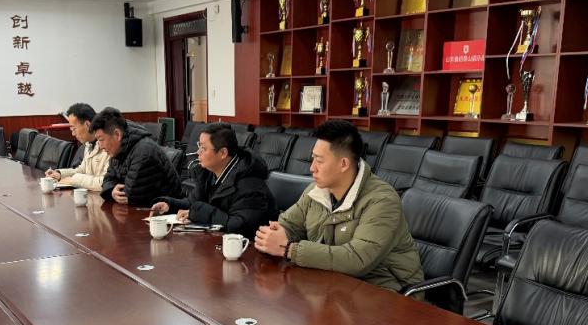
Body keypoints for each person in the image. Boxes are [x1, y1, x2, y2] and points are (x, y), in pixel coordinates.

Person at [254, 119, 423, 292]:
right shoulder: (316, 191)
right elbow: (289, 224)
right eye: (312, 159)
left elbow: (357, 259)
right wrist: (276, 234)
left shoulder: (382, 201)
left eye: (319, 161)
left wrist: (289, 249)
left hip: (387, 290)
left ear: (343, 164)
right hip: (335, 283)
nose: (312, 168)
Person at [150, 123, 275, 236]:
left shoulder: (249, 184)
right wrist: (170, 205)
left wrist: (199, 212)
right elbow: (193, 202)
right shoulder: (210, 173)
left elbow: (240, 226)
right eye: (199, 146)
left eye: (203, 148)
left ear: (223, 153)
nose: (198, 152)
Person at [92, 107, 182, 206]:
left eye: (101, 140)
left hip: (164, 211)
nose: (100, 146)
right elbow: (108, 179)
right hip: (140, 208)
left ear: (117, 134)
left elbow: (129, 196)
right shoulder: (118, 149)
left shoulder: (144, 151)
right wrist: (112, 190)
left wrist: (115, 191)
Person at [45, 103, 109, 190]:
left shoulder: (108, 145)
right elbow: (82, 170)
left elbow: (105, 182)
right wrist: (60, 174)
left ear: (87, 124)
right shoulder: (89, 144)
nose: (73, 134)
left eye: (74, 129)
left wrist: (73, 180)